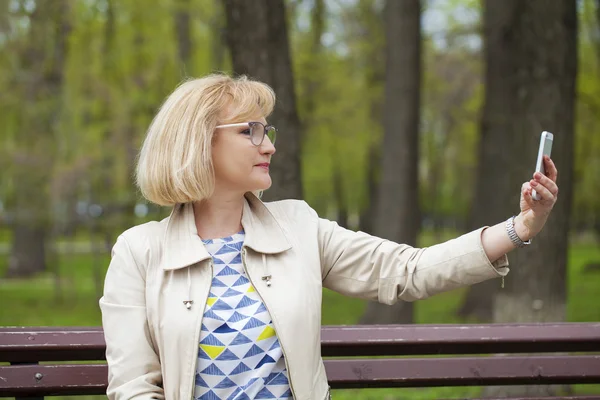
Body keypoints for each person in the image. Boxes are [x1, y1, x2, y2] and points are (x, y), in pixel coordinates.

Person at [99, 74, 559, 400]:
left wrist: (522, 227)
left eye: (267, 129)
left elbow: (407, 270)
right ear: (198, 142)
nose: (269, 145)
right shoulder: (139, 252)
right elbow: (133, 387)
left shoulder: (297, 227)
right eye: (250, 131)